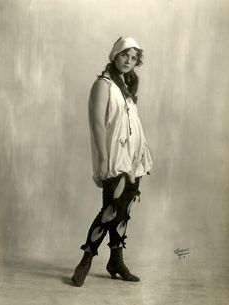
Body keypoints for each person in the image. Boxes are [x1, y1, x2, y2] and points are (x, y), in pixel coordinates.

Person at [72, 37, 153, 287]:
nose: (129, 61)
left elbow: (131, 125)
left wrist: (141, 152)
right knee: (111, 211)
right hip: (116, 159)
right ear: (115, 55)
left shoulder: (126, 86)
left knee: (124, 210)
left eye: (133, 57)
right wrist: (104, 159)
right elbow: (97, 124)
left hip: (133, 159)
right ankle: (87, 258)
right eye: (124, 55)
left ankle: (116, 261)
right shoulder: (103, 84)